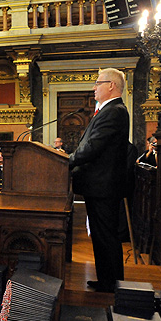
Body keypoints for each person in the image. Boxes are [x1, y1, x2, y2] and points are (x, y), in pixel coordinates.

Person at [69, 68, 129, 293]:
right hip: (99, 186)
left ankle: (112, 283)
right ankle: (106, 279)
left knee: (106, 236)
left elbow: (93, 147)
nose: (94, 87)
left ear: (111, 85)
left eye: (97, 83)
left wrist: (68, 161)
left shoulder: (114, 111)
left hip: (104, 186)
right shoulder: (107, 111)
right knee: (101, 236)